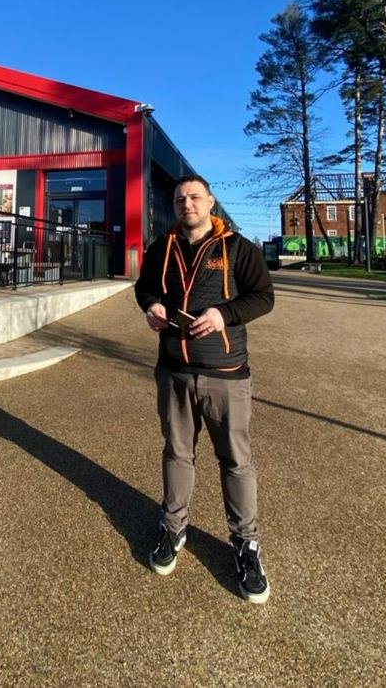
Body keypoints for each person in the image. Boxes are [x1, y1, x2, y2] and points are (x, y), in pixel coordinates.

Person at [134, 174, 275, 603]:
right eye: (180, 198)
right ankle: (173, 527)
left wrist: (223, 314)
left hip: (225, 373)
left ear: (210, 202)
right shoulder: (161, 248)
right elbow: (144, 287)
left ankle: (246, 543)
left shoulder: (238, 248)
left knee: (235, 459)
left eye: (195, 197)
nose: (187, 204)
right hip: (174, 371)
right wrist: (151, 306)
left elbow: (263, 296)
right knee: (177, 453)